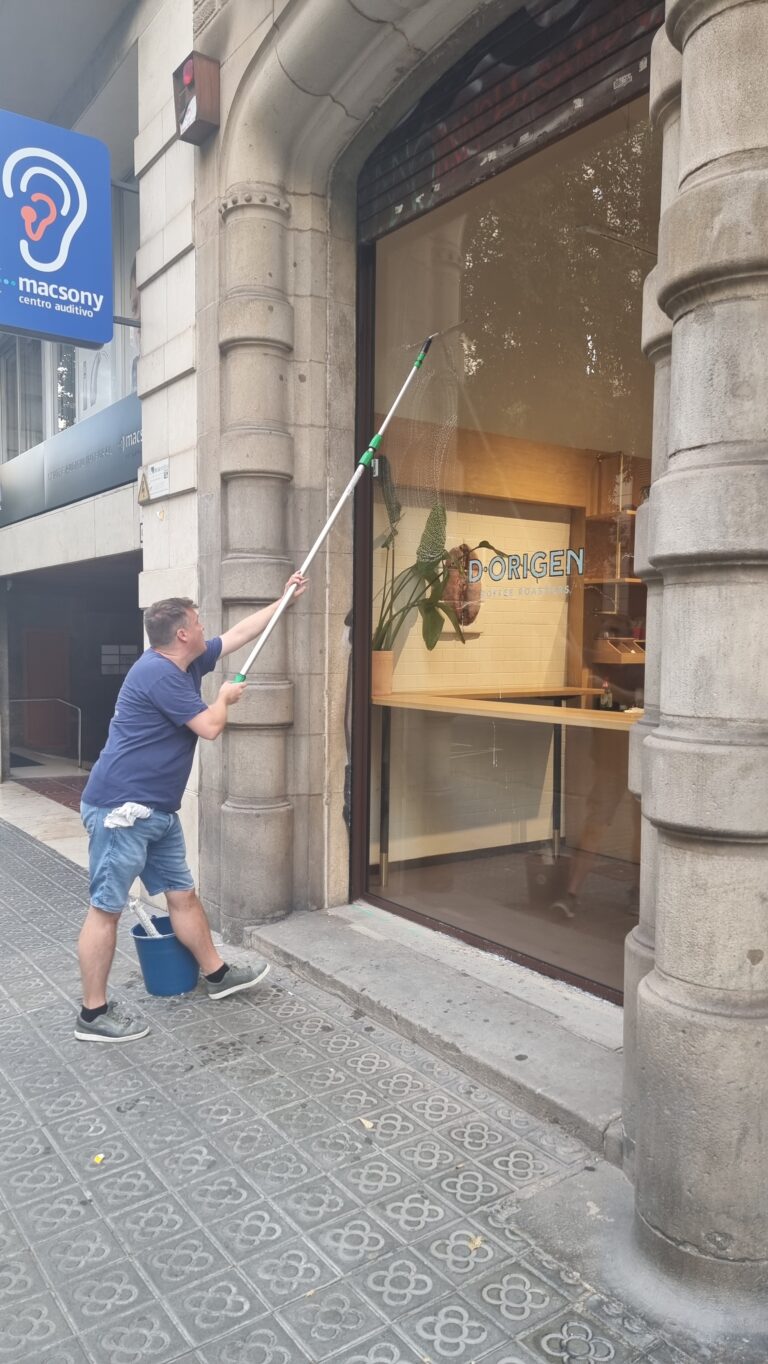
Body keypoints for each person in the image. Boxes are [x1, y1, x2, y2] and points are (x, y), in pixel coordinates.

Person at [75, 573, 308, 1042]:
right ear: (182, 633)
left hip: (156, 812)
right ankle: (93, 1015)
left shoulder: (185, 662)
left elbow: (241, 634)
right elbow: (209, 727)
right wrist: (223, 697)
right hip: (122, 812)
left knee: (182, 895)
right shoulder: (157, 673)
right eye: (198, 621)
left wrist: (284, 598)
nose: (205, 627)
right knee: (106, 910)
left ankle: (217, 975)